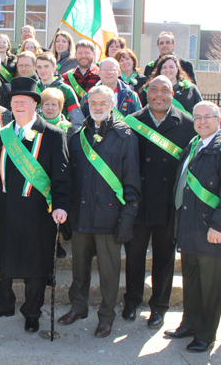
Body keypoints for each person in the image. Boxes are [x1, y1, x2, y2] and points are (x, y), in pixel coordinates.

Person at [0, 77, 70, 333]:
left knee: (36, 266)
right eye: (15, 101)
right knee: (2, 260)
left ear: (35, 105)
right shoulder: (1, 136)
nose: (19, 105)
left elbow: (62, 177)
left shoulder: (53, 135)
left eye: (25, 101)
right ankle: (3, 304)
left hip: (39, 212)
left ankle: (32, 312)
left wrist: (61, 205)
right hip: (6, 209)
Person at [58, 85, 140, 338]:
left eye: (103, 103)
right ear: (87, 105)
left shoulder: (125, 136)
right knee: (79, 269)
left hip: (109, 217)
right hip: (81, 214)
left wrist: (127, 219)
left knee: (108, 273)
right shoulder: (76, 136)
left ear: (112, 104)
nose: (97, 107)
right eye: (93, 103)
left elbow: (132, 182)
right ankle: (78, 307)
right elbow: (70, 178)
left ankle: (106, 316)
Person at [166, 101, 221, 353]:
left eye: (207, 117)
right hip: (191, 227)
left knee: (211, 287)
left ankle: (205, 334)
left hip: (213, 231)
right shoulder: (195, 144)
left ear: (219, 119)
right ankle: (189, 324)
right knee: (191, 281)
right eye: (197, 117)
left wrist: (220, 226)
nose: (201, 121)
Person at [122, 75, 196, 329]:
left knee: (164, 260)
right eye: (154, 90)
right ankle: (132, 301)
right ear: (146, 93)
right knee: (133, 257)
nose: (159, 95)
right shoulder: (132, 122)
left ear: (172, 94)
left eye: (165, 90)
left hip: (168, 204)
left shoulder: (187, 124)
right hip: (138, 203)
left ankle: (159, 307)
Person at [36, 52, 84, 132]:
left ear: (54, 68)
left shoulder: (66, 89)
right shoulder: (33, 88)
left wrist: (69, 138)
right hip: (37, 135)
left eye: (46, 66)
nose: (42, 70)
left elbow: (77, 121)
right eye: (39, 67)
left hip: (60, 134)